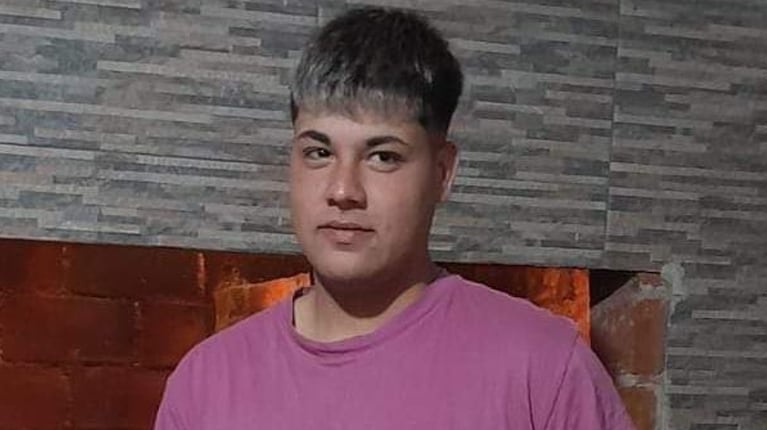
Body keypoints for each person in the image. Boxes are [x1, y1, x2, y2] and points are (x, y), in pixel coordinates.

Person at [154, 6, 635, 430]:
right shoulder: (205, 382)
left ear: (442, 172)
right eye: (319, 152)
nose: (343, 190)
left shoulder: (543, 368)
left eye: (383, 157)